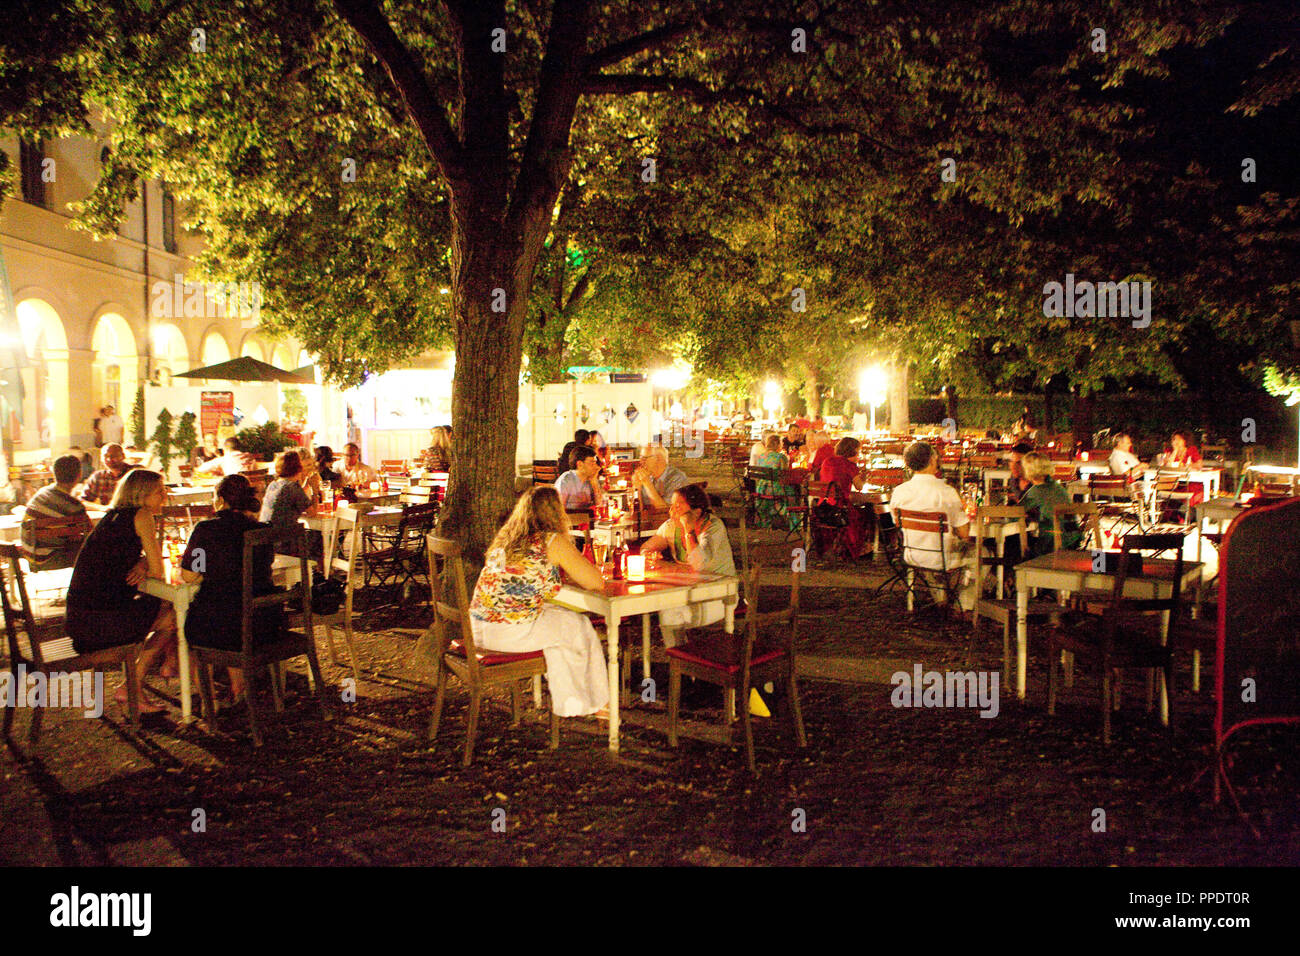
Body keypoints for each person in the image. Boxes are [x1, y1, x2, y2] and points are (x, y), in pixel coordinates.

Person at [468, 486, 609, 719]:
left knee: (562, 624)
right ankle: (595, 703)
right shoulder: (551, 540)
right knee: (580, 627)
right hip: (511, 634)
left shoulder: (506, 539)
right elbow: (595, 582)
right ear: (557, 513)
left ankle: (574, 700)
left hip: (479, 630)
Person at [66, 469, 178, 712]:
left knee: (162, 605)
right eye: (160, 491)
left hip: (79, 620)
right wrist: (148, 562)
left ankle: (162, 667)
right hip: (98, 626)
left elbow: (121, 559)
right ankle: (133, 686)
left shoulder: (112, 518)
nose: (165, 496)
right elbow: (159, 571)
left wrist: (143, 562)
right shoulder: (142, 515)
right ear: (142, 494)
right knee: (173, 617)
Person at [180, 474, 280, 700]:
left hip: (224, 628)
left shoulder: (206, 530)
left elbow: (189, 575)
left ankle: (209, 697)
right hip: (265, 623)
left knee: (195, 624)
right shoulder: (262, 529)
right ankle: (238, 685)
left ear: (220, 499)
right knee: (230, 607)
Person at [639, 484, 736, 647]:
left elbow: (699, 563)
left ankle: (681, 660)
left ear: (696, 512)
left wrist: (688, 530)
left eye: (678, 506)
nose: (672, 510)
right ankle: (681, 659)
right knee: (660, 608)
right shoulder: (670, 526)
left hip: (718, 595)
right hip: (687, 592)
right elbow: (646, 548)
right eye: (672, 505)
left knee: (669, 614)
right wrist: (650, 556)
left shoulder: (713, 527)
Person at [889, 441, 975, 609]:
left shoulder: (899, 491)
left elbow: (896, 524)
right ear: (932, 460)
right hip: (941, 557)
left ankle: (940, 598)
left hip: (911, 554)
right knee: (981, 553)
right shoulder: (946, 492)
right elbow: (965, 533)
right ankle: (963, 604)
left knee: (936, 548)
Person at [21, 454, 92, 570]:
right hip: (53, 559)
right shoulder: (75, 506)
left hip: (32, 557)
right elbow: (90, 535)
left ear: (54, 474)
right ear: (79, 475)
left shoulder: (41, 494)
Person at [259, 451, 322, 570]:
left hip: (267, 540)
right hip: (283, 542)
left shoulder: (274, 484)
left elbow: (294, 499)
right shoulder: (292, 487)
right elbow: (312, 513)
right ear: (298, 468)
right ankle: (318, 575)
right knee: (318, 536)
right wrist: (315, 490)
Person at [818, 436, 872, 559]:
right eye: (858, 451)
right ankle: (859, 547)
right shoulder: (849, 465)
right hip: (840, 510)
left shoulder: (827, 461)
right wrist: (864, 478)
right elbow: (859, 487)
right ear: (852, 451)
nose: (859, 455)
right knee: (865, 512)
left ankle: (841, 545)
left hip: (823, 507)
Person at [1018, 452, 1081, 555]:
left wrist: (1023, 490)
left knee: (1016, 547)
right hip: (1073, 540)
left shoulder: (1037, 490)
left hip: (1053, 544)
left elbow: (1014, 513)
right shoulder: (1058, 487)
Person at [632, 443, 690, 511]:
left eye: (645, 458)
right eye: (640, 458)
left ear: (660, 459)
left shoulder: (677, 478)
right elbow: (638, 510)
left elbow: (665, 511)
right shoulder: (647, 477)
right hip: (648, 520)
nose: (641, 462)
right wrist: (637, 488)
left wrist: (647, 484)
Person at [752, 434, 791, 529]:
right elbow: (785, 475)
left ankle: (767, 521)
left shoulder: (761, 456)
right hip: (775, 490)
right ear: (777, 444)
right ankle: (793, 523)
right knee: (794, 492)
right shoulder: (781, 457)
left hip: (761, 489)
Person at [554, 445, 604, 511]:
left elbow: (600, 505)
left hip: (587, 518)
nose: (596, 467)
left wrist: (594, 483)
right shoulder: (566, 480)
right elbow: (558, 510)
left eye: (595, 463)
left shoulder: (591, 478)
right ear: (580, 464)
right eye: (592, 463)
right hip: (571, 519)